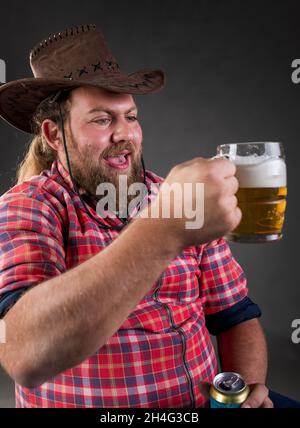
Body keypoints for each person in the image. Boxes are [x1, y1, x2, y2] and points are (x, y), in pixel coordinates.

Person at [0, 24, 298, 409]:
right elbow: (23, 354)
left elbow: (235, 314)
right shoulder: (29, 206)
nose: (125, 134)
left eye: (131, 116)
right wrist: (165, 228)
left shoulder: (180, 194)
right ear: (55, 136)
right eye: (103, 119)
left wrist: (243, 391)